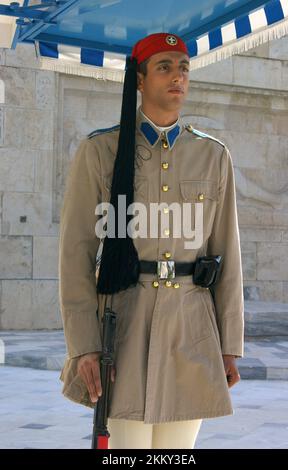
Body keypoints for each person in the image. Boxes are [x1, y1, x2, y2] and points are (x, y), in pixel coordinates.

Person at [58, 32, 244, 449]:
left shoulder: (213, 156)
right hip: (122, 329)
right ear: (139, 80)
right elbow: (76, 255)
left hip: (191, 330)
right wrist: (84, 346)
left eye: (183, 69)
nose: (177, 77)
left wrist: (229, 345)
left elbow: (227, 255)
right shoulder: (101, 151)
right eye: (164, 67)